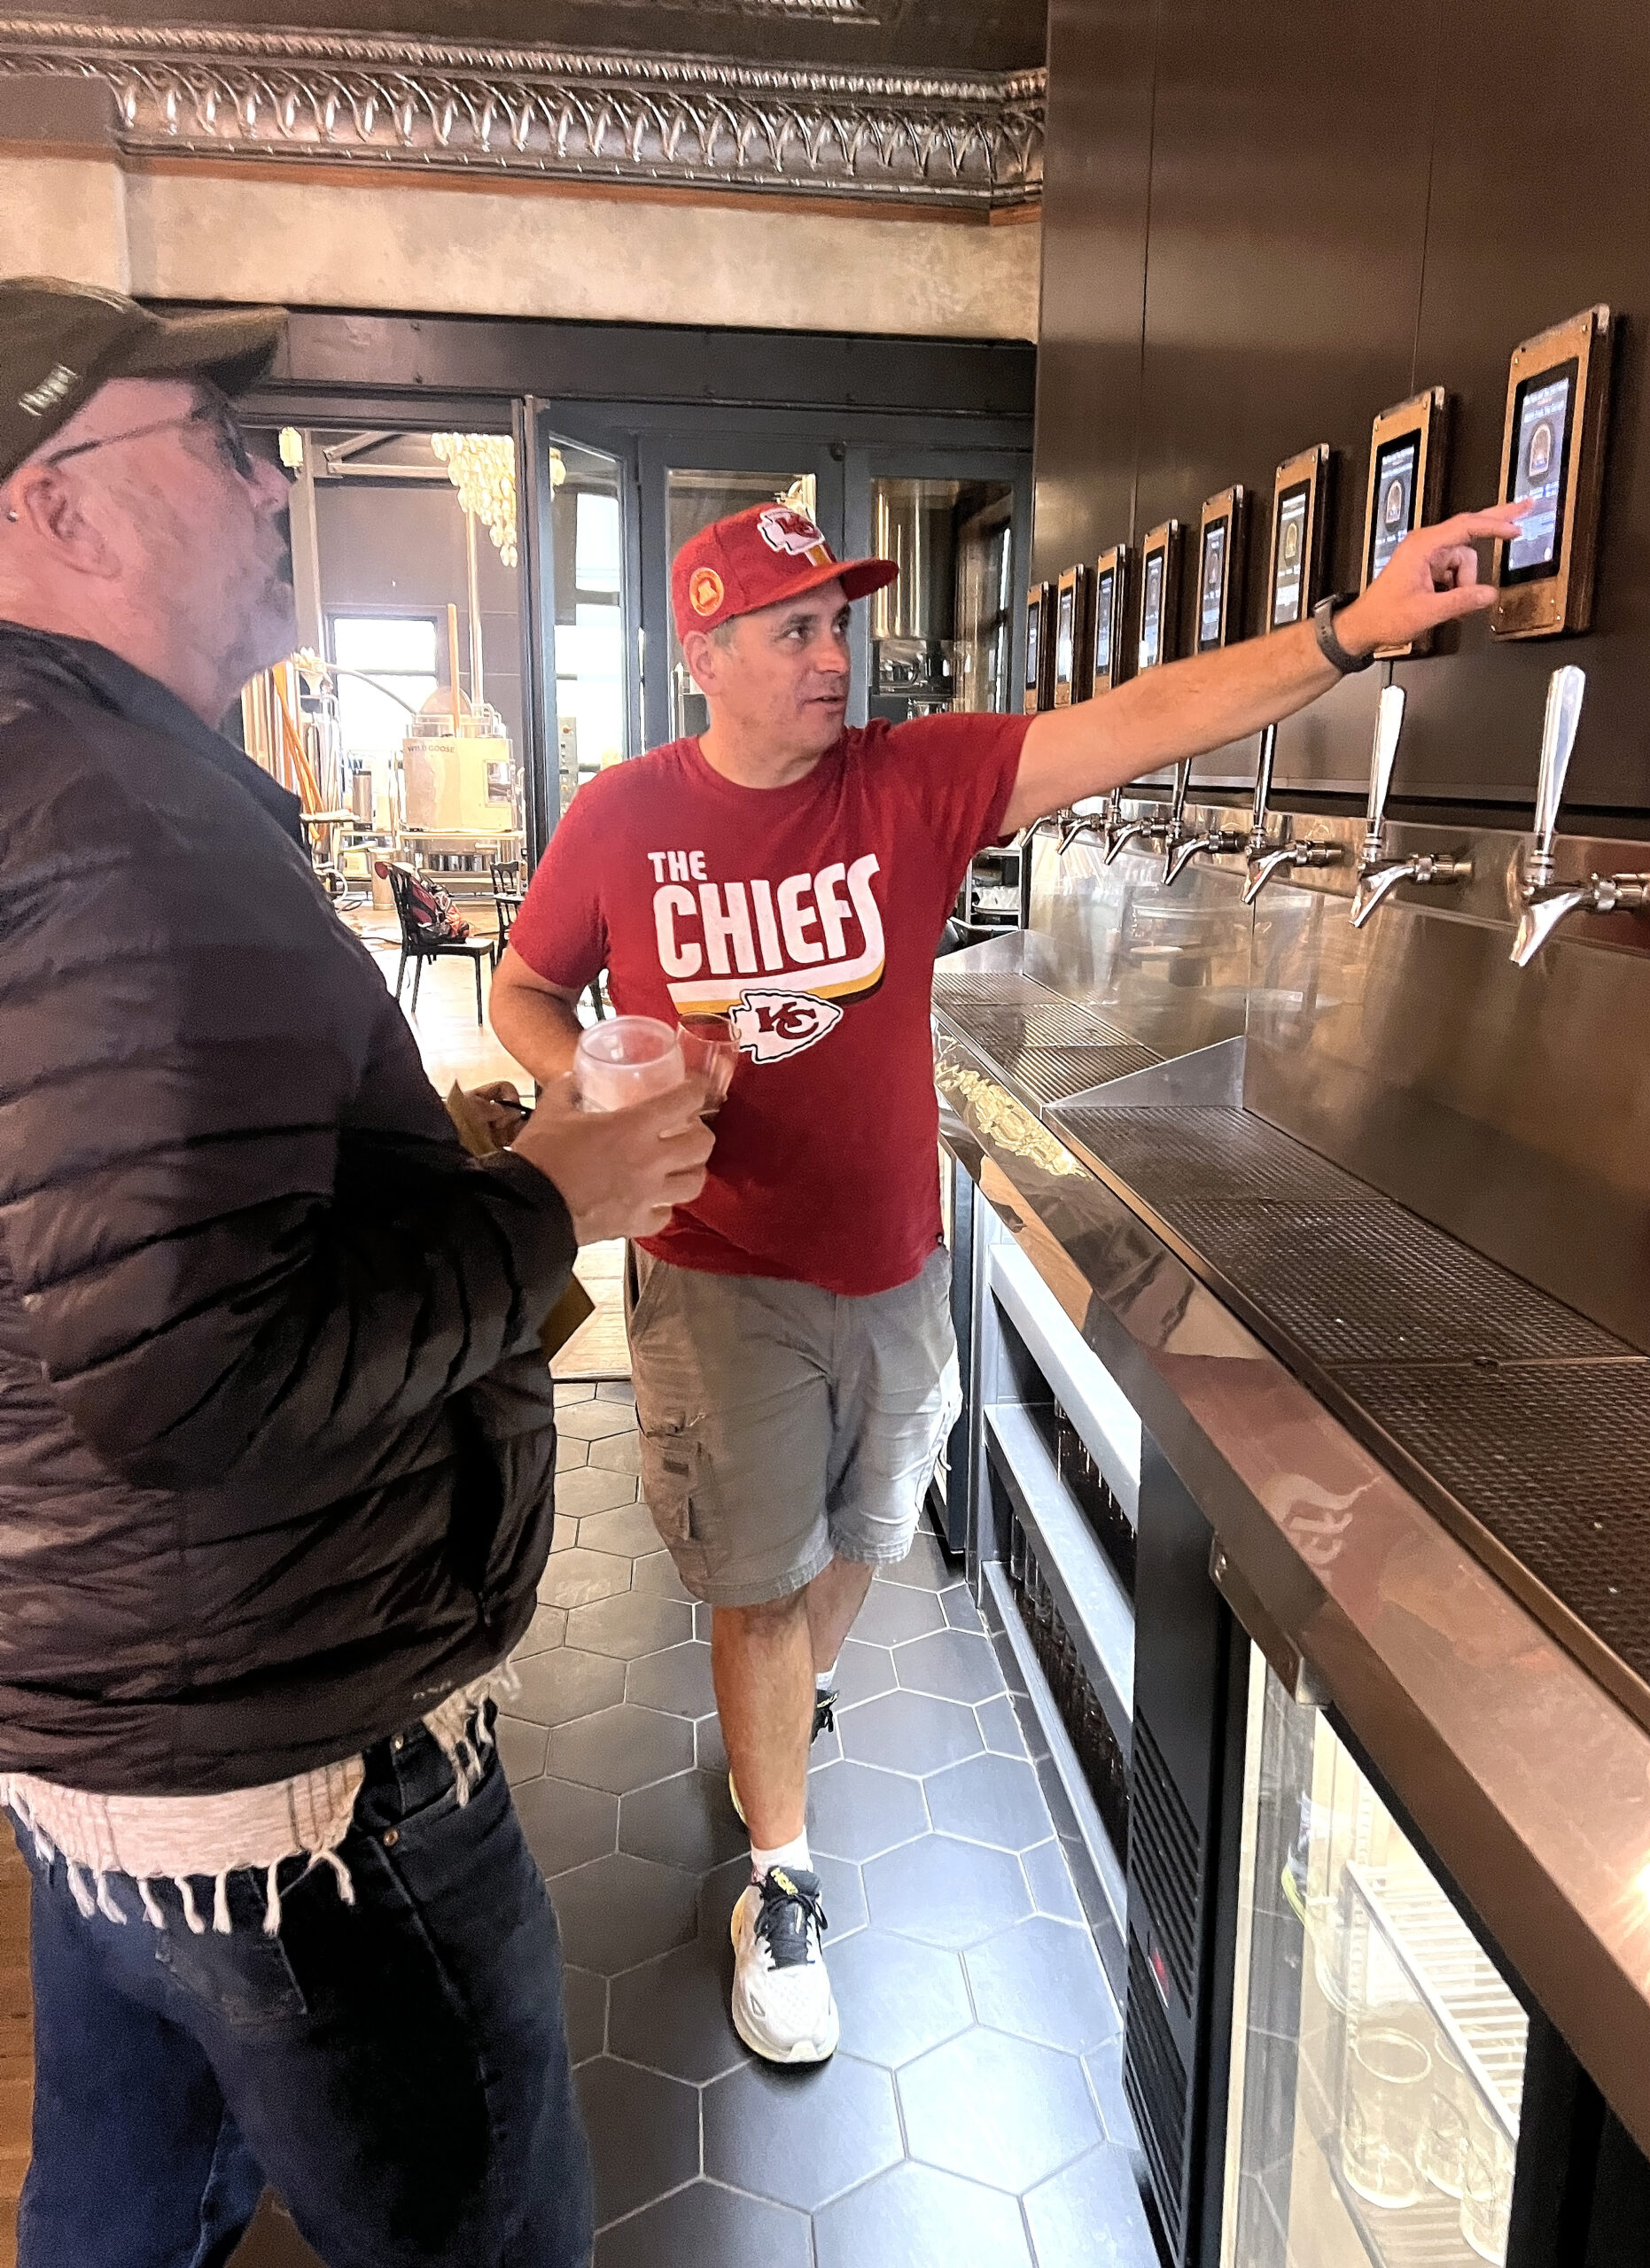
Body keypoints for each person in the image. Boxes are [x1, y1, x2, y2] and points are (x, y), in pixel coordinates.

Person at [492, 493, 1527, 2063]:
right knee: (760, 1580)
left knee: (864, 1538)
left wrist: (1348, 632)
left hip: (894, 1259)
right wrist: (596, 1073)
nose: (836, 657)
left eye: (839, 623)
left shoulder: (906, 785)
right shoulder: (625, 815)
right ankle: (781, 1875)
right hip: (714, 1270)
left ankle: (780, 1714)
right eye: (796, 631)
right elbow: (522, 986)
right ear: (706, 651)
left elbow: (1129, 723)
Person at [0, 277, 714, 2268]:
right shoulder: (123, 828)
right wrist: (550, 1194)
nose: (274, 476)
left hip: (111, 1730)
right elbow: (189, 1371)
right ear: (58, 508)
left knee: (122, 2217)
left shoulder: (67, 784)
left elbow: (127, 1249)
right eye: (219, 442)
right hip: (291, 1768)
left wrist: (496, 1164)